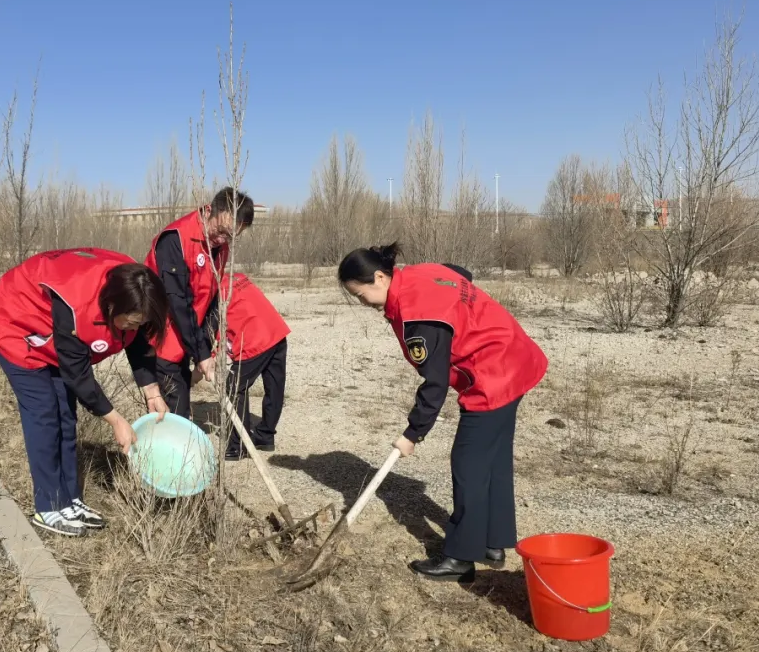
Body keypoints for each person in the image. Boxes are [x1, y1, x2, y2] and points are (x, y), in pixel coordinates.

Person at [337, 243, 548, 582]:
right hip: (516, 356)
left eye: (362, 296)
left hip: (493, 373)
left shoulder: (417, 314)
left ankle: (461, 558)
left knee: (468, 464)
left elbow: (434, 384)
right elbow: (461, 274)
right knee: (492, 459)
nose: (364, 304)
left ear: (380, 277)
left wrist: (412, 433)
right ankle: (492, 544)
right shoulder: (420, 273)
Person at [0, 248, 170, 537]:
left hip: (54, 335)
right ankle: (48, 506)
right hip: (16, 324)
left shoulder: (138, 287)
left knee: (66, 416)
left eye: (140, 323)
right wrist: (116, 420)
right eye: (130, 322)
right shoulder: (76, 306)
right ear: (110, 306)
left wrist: (152, 392)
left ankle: (69, 500)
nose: (135, 327)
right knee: (44, 415)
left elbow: (138, 343)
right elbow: (78, 375)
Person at [144, 187, 255, 419]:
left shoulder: (220, 248)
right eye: (221, 230)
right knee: (175, 412)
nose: (223, 239)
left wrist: (207, 343)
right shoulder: (175, 239)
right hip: (162, 338)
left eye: (231, 236)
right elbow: (178, 302)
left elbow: (211, 297)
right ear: (210, 211)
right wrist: (201, 352)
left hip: (187, 337)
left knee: (181, 397)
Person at [201, 271, 290, 460]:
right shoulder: (235, 276)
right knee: (274, 385)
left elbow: (213, 327)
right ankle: (265, 436)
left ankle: (238, 446)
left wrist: (206, 359)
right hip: (276, 331)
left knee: (233, 387)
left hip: (255, 340)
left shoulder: (213, 290)